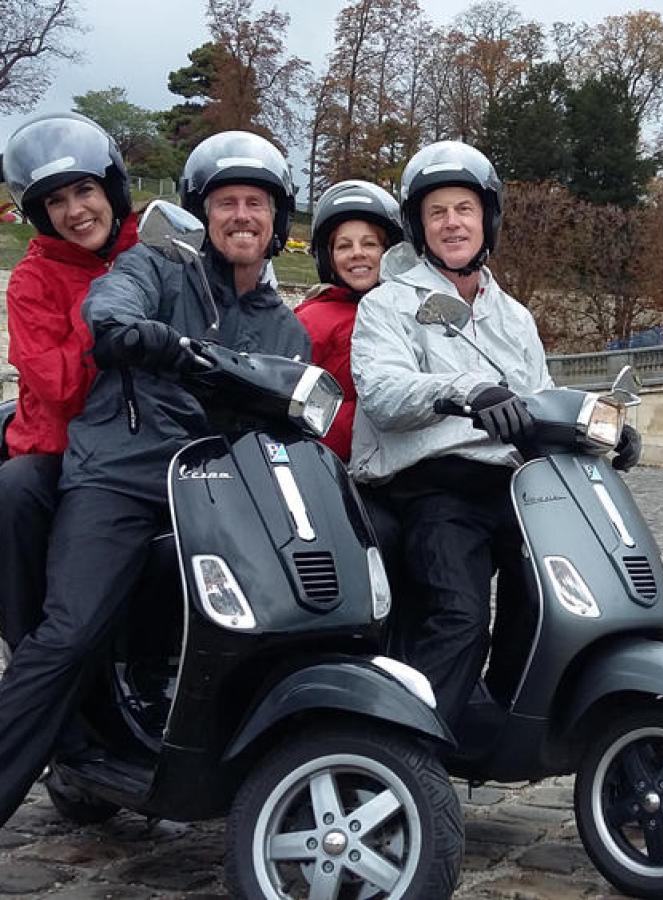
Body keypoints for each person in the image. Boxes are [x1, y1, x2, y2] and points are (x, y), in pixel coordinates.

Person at [0, 130, 311, 824]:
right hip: (122, 471)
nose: (240, 216)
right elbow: (110, 308)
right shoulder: (158, 266)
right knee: (69, 631)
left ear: (276, 219)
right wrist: (126, 330)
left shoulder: (285, 329)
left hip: (214, 489)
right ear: (202, 213)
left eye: (255, 203)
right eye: (225, 202)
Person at [350, 140, 641, 733]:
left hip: (514, 489)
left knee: (559, 596)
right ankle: (400, 749)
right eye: (437, 212)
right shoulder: (388, 305)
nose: (452, 222)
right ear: (419, 226)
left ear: (488, 219)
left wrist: (603, 433)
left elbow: (542, 396)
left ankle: (507, 720)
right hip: (430, 487)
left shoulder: (514, 316)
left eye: (464, 208)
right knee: (458, 616)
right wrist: (466, 391)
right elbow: (382, 391)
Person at [0, 112, 139, 655]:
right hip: (59, 450)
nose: (76, 211)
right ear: (40, 213)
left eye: (84, 190)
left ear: (110, 188)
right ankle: (27, 644)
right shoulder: (32, 280)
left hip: (143, 445)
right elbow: (60, 388)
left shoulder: (150, 254)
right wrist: (107, 297)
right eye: (56, 201)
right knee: (13, 492)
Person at [295, 180, 404, 462]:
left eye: (369, 243)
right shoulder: (313, 319)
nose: (357, 252)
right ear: (327, 257)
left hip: (403, 463)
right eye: (344, 246)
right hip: (331, 463)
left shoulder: (407, 312)